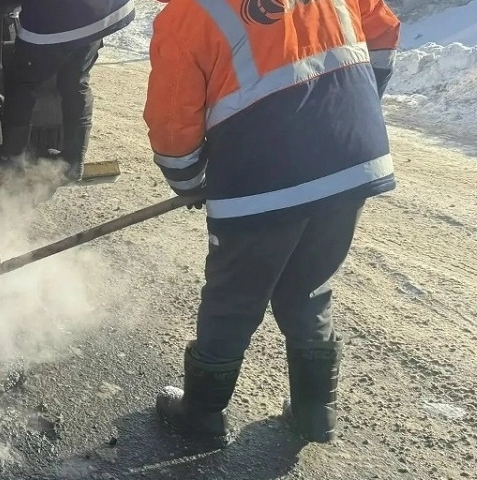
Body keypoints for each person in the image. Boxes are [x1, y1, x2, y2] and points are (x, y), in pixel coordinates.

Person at [144, 0, 401, 448]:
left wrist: (189, 182)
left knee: (234, 296)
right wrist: (351, 111)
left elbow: (172, 121)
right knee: (308, 285)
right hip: (351, 159)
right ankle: (315, 412)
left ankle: (202, 415)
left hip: (262, 177)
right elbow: (383, 33)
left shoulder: (188, 13)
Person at [0, 0, 136, 182]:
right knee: (76, 81)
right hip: (102, 13)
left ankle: (12, 162)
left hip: (57, 18)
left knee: (22, 82)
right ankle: (73, 163)